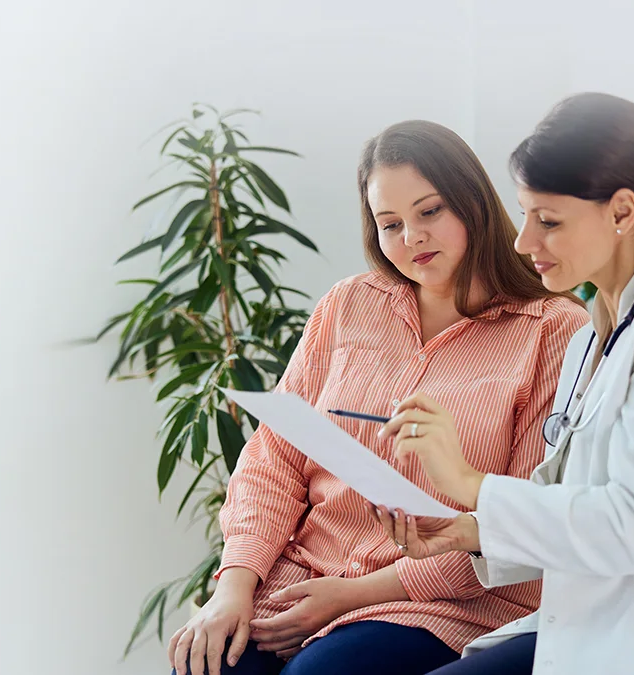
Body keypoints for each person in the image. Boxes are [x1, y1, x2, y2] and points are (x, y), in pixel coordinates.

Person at [376, 93, 634, 675]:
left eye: (548, 221)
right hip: (597, 622)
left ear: (621, 212)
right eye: (524, 215)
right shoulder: (591, 336)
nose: (523, 242)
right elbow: (566, 494)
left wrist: (469, 483)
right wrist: (466, 531)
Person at [168, 120, 589, 675]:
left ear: (473, 203)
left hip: (442, 601)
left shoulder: (554, 331)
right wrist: (233, 588)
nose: (411, 237)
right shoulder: (347, 306)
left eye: (430, 211)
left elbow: (518, 521)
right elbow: (274, 461)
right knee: (203, 665)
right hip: (304, 579)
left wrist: (353, 596)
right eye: (390, 223)